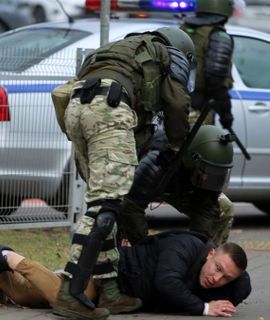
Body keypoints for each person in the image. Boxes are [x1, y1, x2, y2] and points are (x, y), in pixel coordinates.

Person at [51, 27, 195, 318]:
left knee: (105, 204)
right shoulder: (169, 54)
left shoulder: (121, 50)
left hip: (77, 107)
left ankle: (111, 290)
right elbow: (178, 104)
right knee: (105, 208)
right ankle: (70, 292)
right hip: (110, 108)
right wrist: (179, 143)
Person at [0, 231, 251, 318]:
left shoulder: (225, 276)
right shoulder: (184, 246)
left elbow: (242, 285)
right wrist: (206, 309)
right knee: (62, 297)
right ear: (211, 253)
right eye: (218, 269)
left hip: (112, 296)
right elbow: (166, 283)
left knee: (27, 296)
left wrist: (236, 283)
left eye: (226, 278)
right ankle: (7, 257)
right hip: (103, 276)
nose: (216, 279)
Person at [120, 125, 235, 246]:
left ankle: (211, 258)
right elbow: (131, 206)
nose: (209, 179)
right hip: (144, 184)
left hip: (182, 188)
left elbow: (205, 209)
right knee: (117, 209)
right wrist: (143, 246)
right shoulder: (159, 160)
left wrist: (198, 248)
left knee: (225, 207)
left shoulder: (208, 174)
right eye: (206, 173)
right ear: (192, 159)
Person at [180, 0, 245, 128]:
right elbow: (215, 80)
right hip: (198, 108)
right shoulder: (218, 36)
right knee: (200, 147)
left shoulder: (183, 30)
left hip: (173, 105)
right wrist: (226, 113)